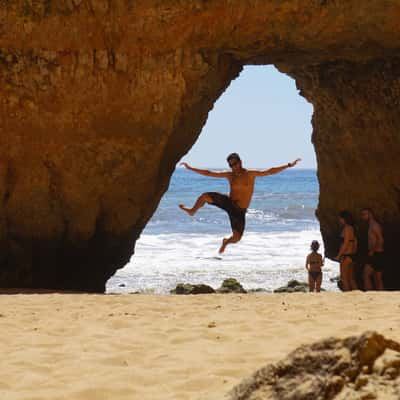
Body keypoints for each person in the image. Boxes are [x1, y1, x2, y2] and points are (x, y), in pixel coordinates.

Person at [179, 153, 301, 253]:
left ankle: (226, 242)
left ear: (240, 162)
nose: (233, 167)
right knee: (205, 196)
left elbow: (269, 171)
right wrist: (190, 168)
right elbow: (209, 173)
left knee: (237, 238)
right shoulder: (230, 175)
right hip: (229, 203)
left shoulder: (250, 174)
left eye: (235, 164)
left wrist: (289, 165)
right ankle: (192, 211)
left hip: (240, 211)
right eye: (231, 165)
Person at [360, 208, 385, 290]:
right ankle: (378, 296)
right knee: (376, 278)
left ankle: (370, 295)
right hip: (377, 254)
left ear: (370, 214)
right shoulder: (371, 225)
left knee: (366, 275)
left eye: (364, 214)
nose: (362, 216)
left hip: (376, 254)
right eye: (362, 214)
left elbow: (381, 239)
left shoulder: (374, 225)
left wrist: (372, 251)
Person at [335, 210, 358, 291]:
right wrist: (354, 254)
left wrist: (339, 255)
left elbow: (346, 243)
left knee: (344, 279)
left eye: (340, 218)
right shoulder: (353, 228)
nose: (339, 220)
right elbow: (355, 242)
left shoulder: (347, 228)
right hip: (351, 255)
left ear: (344, 219)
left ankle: (348, 298)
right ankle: (359, 297)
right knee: (351, 279)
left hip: (345, 255)